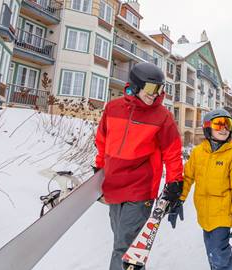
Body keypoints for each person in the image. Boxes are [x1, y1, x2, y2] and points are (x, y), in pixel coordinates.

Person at [94, 62, 183, 270]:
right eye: (151, 89)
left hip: (140, 188)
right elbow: (102, 142)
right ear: (136, 85)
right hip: (114, 186)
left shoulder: (162, 117)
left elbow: (172, 153)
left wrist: (174, 183)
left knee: (126, 247)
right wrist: (99, 170)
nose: (155, 95)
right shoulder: (113, 108)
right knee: (122, 241)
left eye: (159, 89)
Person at [168, 109, 232, 270]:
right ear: (207, 128)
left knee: (219, 255)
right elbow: (188, 177)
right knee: (212, 253)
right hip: (204, 215)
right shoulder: (198, 152)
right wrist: (179, 200)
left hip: (223, 214)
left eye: (227, 125)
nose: (224, 128)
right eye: (218, 124)